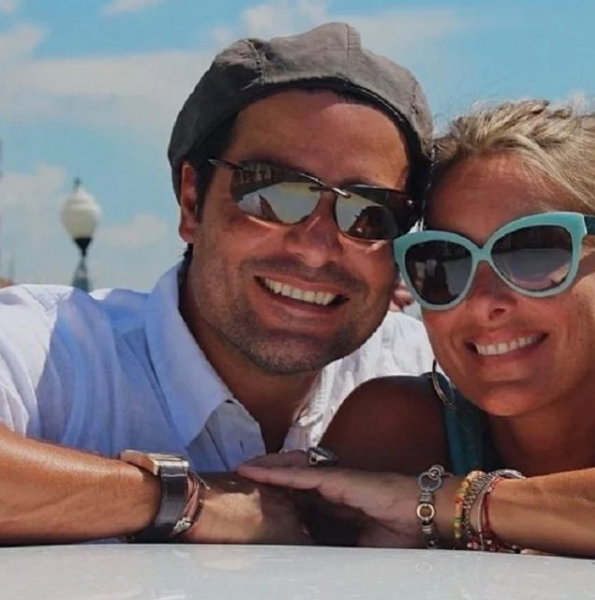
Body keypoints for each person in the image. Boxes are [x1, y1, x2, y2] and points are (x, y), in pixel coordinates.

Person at [0, 22, 435, 545]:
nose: (315, 247)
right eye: (271, 193)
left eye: (370, 213)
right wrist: (181, 500)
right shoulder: (56, 356)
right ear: (192, 202)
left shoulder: (426, 372)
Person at [239, 100, 595, 558]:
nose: (482, 301)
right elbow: (274, 525)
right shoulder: (400, 430)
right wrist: (174, 494)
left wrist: (439, 502)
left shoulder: (414, 483)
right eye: (443, 262)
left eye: (535, 253)